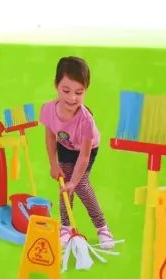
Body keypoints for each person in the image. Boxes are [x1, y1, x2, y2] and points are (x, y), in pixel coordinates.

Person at [40, 56, 114, 249]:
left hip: (85, 149)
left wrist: (74, 181)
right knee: (64, 183)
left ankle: (102, 227)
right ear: (56, 85)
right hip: (65, 145)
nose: (72, 98)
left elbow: (84, 156)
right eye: (66, 91)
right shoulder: (48, 109)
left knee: (79, 184)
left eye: (79, 92)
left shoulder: (86, 121)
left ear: (86, 90)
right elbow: (50, 138)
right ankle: (65, 227)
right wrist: (53, 164)